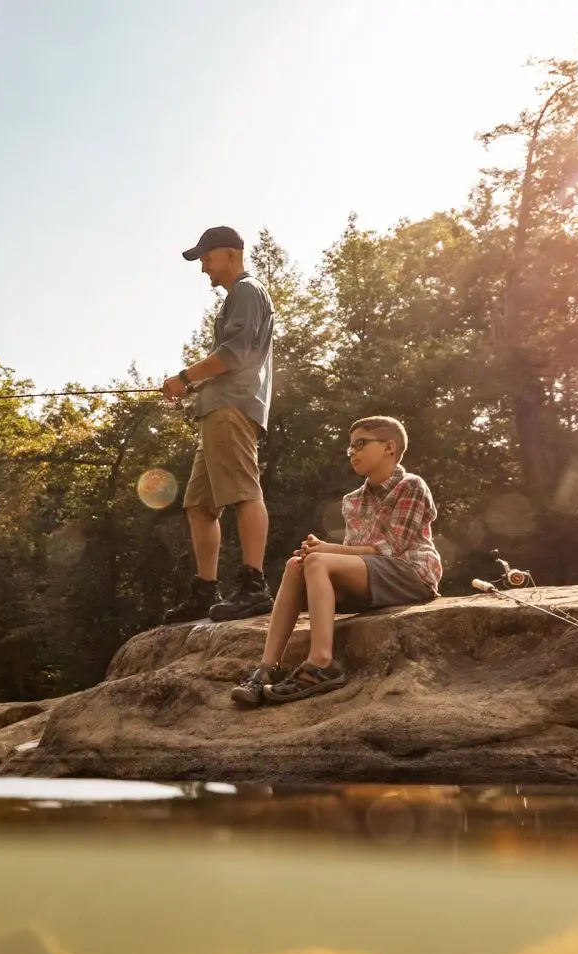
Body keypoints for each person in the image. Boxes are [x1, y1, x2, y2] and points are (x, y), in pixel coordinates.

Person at [231, 416, 442, 706]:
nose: (352, 452)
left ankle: (321, 664)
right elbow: (356, 554)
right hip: (373, 581)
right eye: (350, 448)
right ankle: (267, 669)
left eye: (361, 444)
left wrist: (326, 550)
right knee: (297, 565)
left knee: (317, 561)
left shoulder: (411, 486)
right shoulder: (352, 500)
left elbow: (392, 549)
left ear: (389, 448)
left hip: (411, 575)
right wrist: (320, 553)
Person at [160, 226, 276, 624]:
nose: (204, 269)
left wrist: (186, 377)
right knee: (199, 504)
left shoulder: (247, 290)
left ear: (230, 254)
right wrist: (197, 386)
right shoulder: (237, 297)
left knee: (243, 493)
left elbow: (234, 353)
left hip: (232, 409)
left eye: (207, 259)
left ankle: (254, 587)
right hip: (216, 408)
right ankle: (205, 591)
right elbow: (230, 361)